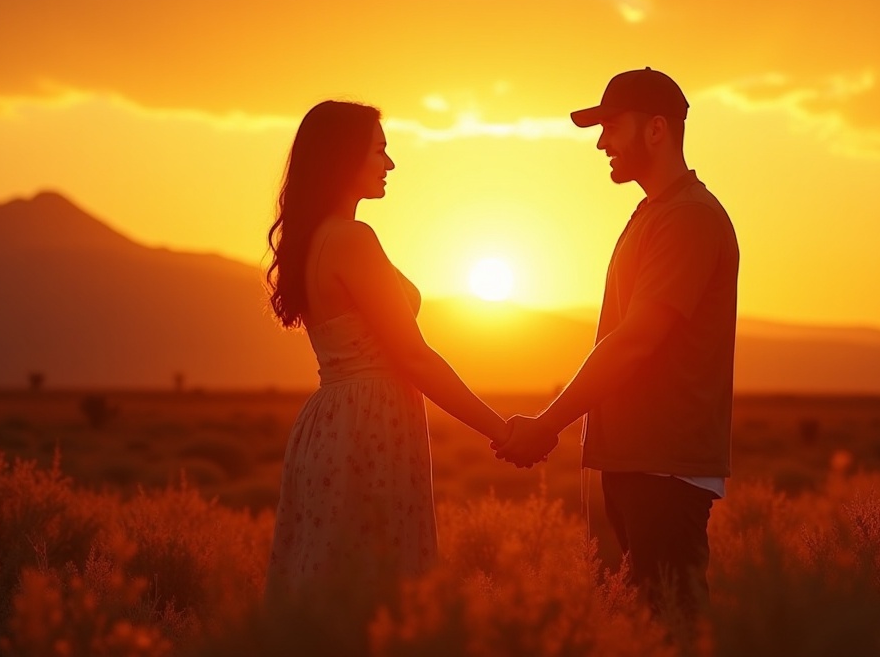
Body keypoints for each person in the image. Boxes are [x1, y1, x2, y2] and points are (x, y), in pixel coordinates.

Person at [495, 68, 740, 618]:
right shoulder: (655, 214)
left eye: (611, 126)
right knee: (633, 627)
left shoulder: (688, 218)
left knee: (668, 630)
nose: (602, 141)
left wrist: (546, 424)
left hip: (664, 468)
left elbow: (635, 342)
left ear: (656, 129)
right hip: (635, 462)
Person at [262, 101, 513, 622]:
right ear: (343, 158)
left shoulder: (315, 240)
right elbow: (414, 357)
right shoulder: (353, 239)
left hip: (334, 424)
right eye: (379, 150)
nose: (389, 164)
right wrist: (501, 431)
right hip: (367, 427)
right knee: (375, 597)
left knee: (331, 586)